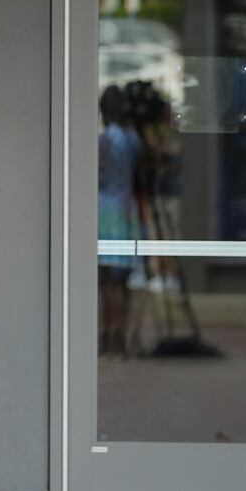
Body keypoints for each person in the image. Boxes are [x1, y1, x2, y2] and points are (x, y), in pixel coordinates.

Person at [97, 84, 142, 359]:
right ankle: (120, 335)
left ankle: (106, 335)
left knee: (106, 281)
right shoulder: (133, 139)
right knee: (122, 280)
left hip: (105, 210)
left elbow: (99, 176)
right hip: (127, 210)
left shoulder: (104, 140)